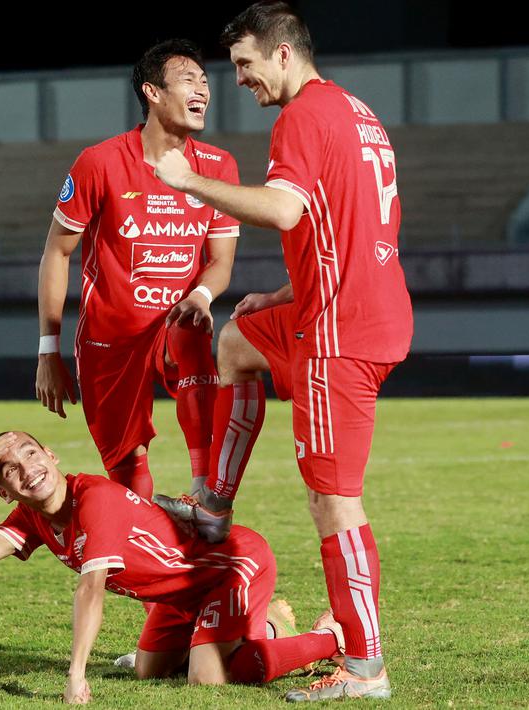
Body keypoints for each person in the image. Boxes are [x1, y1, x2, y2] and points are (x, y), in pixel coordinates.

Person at [150, 1, 413, 700]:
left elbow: (284, 209)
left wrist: (186, 181)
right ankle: (213, 504)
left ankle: (365, 667)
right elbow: (349, 222)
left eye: (244, 64)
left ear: (283, 54)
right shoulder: (355, 111)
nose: (238, 79)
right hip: (354, 306)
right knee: (236, 340)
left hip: (338, 333)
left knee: (333, 501)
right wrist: (283, 291)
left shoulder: (300, 116)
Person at [0, 432, 348, 704]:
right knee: (149, 671)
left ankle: (331, 639)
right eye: (11, 470)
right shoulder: (32, 516)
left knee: (208, 678)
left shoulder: (94, 499)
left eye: (30, 454)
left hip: (230, 566)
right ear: (4, 492)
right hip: (180, 594)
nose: (28, 469)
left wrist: (76, 674)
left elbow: (90, 589)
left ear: (50, 454)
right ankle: (262, 626)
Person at [35, 39, 240, 499]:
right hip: (110, 339)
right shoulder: (100, 162)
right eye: (188, 80)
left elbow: (220, 262)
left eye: (205, 81)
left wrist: (201, 296)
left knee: (190, 329)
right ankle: (144, 537)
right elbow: (57, 253)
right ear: (153, 92)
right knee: (129, 477)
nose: (202, 90)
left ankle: (205, 491)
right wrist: (48, 351)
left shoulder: (218, 166)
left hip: (172, 326)